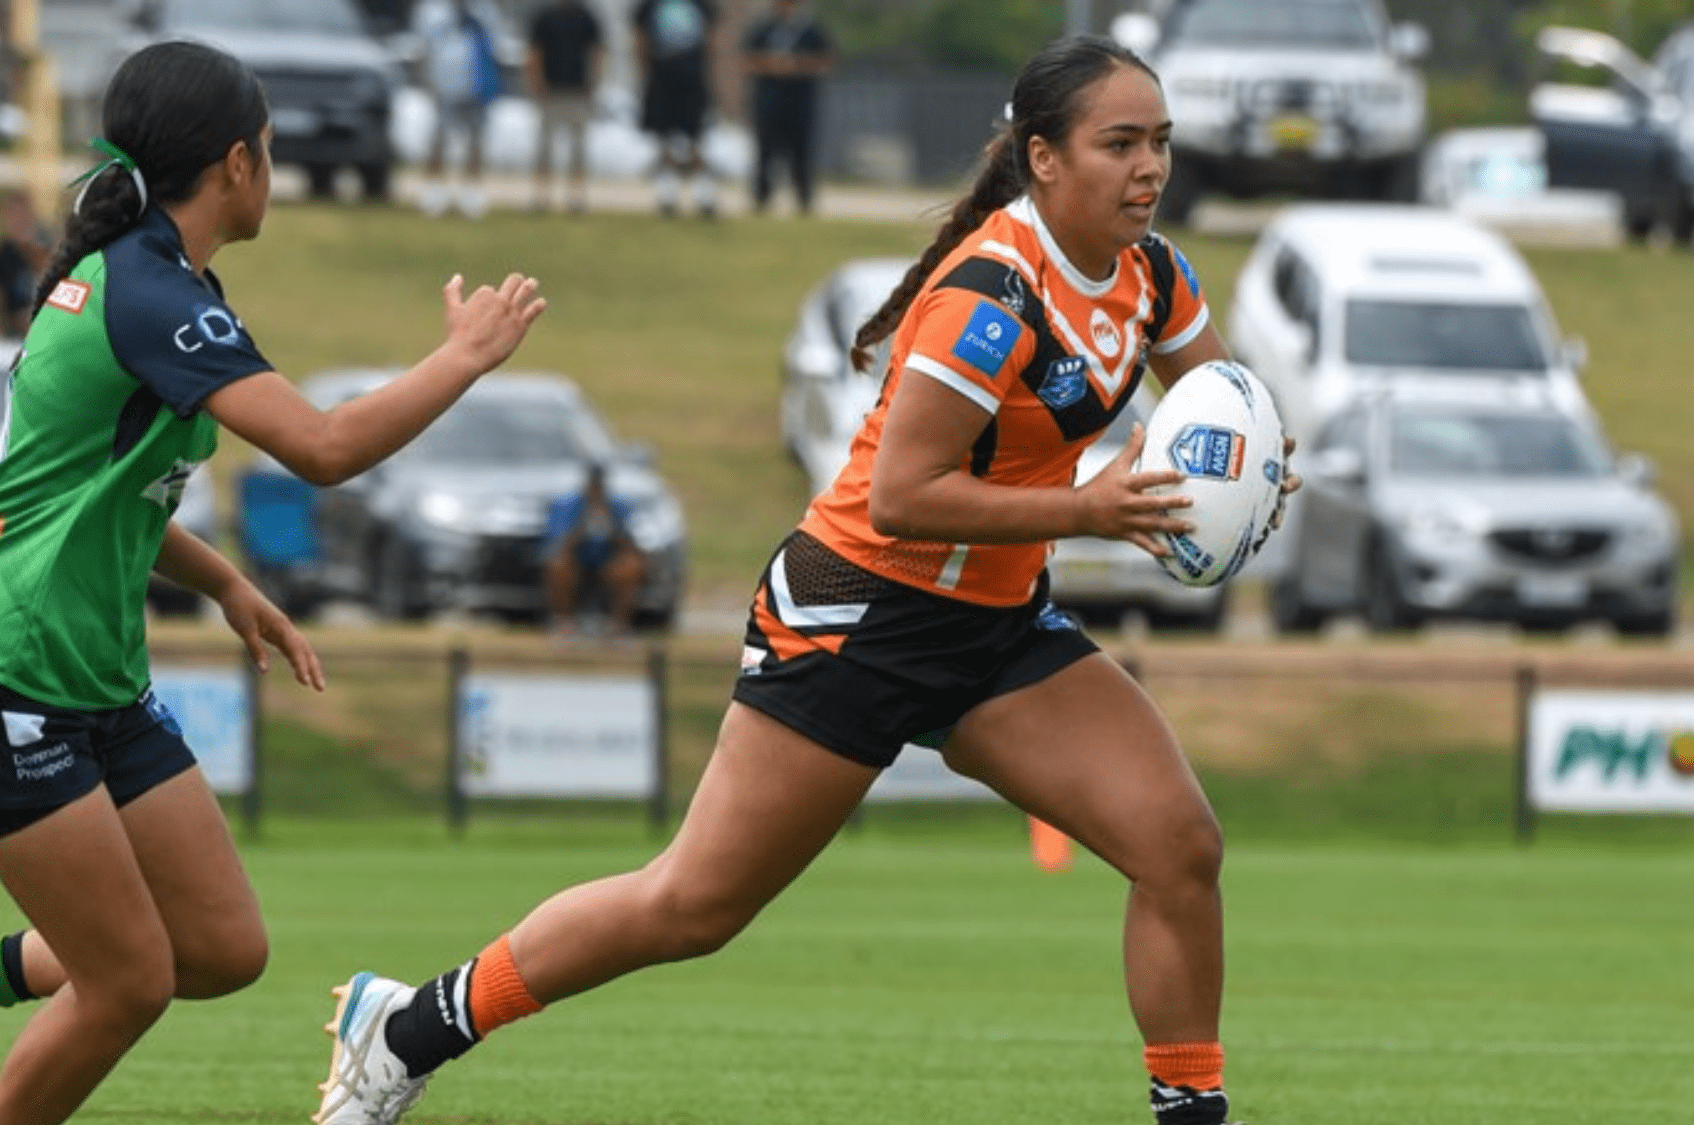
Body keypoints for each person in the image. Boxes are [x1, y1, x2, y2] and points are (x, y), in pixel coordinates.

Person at [311, 35, 1280, 1125]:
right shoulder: (990, 296)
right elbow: (901, 498)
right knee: (690, 907)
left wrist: (1251, 484)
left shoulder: (1152, 276)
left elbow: (1225, 413)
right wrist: (1089, 509)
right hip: (857, 611)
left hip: (996, 627)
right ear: (1043, 159)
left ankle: (1191, 1116)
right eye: (1118, 144)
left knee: (1178, 844)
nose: (1148, 167)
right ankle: (406, 1029)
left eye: (1158, 142)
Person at [0, 41, 543, 1125]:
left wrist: (221, 582)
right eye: (271, 149)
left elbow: (93, 490)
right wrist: (461, 358)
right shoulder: (149, 291)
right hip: (18, 674)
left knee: (217, 947)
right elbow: (327, 447)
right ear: (238, 162)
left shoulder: (159, 276)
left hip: (96, 677)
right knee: (128, 984)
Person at [414, 0, 507, 218]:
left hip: (476, 87)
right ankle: (433, 190)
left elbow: (497, 45)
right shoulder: (431, 10)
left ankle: (471, 190)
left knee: (476, 141)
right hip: (444, 86)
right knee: (439, 139)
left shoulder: (485, 10)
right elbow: (422, 49)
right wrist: (427, 83)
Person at [741, 0, 834, 215]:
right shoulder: (763, 30)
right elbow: (747, 58)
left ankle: (804, 199)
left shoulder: (811, 31)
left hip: (800, 102)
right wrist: (772, 65)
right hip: (769, 101)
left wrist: (796, 65)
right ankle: (761, 197)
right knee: (766, 151)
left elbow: (827, 60)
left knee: (801, 151)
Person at [632, 0, 718, 218]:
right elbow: (639, 38)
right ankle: (667, 196)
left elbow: (711, 40)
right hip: (661, 78)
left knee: (696, 140)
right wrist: (643, 74)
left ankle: (705, 196)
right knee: (664, 140)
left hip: (692, 80)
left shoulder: (700, 4)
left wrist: (713, 79)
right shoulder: (651, 5)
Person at [541, 462, 644, 638]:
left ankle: (618, 626)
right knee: (557, 564)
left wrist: (612, 528)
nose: (596, 490)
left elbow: (632, 546)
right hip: (577, 560)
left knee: (632, 566)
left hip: (607, 561)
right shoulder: (569, 505)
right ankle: (564, 622)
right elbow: (557, 547)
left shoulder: (617, 506)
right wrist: (582, 526)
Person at [526, 0, 604, 214]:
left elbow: (597, 51)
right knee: (545, 147)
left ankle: (576, 197)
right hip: (551, 90)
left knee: (578, 148)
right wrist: (536, 82)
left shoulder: (586, 17)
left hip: (577, 90)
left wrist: (593, 83)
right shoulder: (545, 17)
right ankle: (541, 196)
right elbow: (534, 51)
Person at [0, 189, 52, 337]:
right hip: (16, 334)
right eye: (14, 215)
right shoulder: (4, 254)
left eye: (23, 214)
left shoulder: (45, 243)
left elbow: (50, 274)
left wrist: (28, 249)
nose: (19, 220)